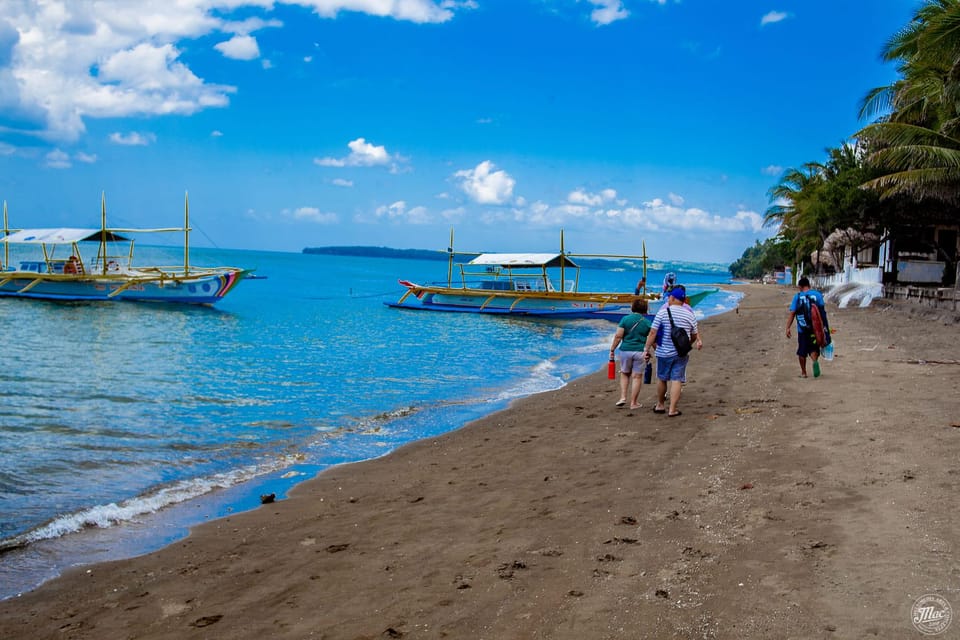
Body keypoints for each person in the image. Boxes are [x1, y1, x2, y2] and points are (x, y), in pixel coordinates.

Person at [643, 287, 702, 417]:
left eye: (669, 297)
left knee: (662, 379)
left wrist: (646, 349)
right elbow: (693, 335)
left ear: (673, 298)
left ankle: (660, 405)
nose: (668, 299)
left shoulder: (663, 312)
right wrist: (686, 345)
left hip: (663, 352)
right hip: (680, 353)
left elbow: (653, 332)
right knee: (677, 380)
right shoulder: (690, 314)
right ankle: (672, 409)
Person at [609, 298, 652, 409]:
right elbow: (652, 339)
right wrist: (654, 350)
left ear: (632, 307)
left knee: (624, 373)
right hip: (640, 352)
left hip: (625, 351)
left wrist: (612, 348)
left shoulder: (625, 319)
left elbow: (618, 336)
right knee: (637, 377)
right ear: (645, 309)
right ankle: (633, 403)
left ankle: (623, 397)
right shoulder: (647, 323)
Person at [785, 276, 829, 378]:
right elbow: (822, 312)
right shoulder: (817, 295)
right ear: (809, 285)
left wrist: (788, 327)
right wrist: (825, 328)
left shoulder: (797, 296)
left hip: (802, 329)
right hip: (815, 328)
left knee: (802, 351)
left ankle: (804, 373)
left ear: (800, 287)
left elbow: (792, 313)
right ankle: (814, 361)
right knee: (813, 347)